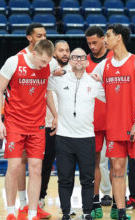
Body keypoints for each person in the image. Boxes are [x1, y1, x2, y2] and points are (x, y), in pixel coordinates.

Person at [91, 24, 135, 220]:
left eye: (108, 36)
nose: (104, 39)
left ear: (118, 37)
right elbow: (99, 93)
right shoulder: (103, 65)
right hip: (114, 125)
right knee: (117, 169)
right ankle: (120, 212)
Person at [0, 39, 56, 220]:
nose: (45, 65)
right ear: (34, 53)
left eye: (47, 62)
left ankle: (32, 213)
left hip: (37, 125)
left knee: (36, 168)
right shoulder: (14, 62)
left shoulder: (48, 65)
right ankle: (11, 211)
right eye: (43, 61)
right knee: (14, 167)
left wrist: (55, 114)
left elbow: (48, 91)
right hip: (14, 124)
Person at [47, 47, 105, 220]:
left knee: (87, 179)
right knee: (65, 178)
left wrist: (103, 81)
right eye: (75, 57)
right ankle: (66, 213)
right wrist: (55, 73)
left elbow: (113, 97)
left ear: (87, 61)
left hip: (86, 137)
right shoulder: (59, 79)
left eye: (81, 57)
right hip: (64, 137)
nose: (78, 60)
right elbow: (43, 84)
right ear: (70, 61)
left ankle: (87, 212)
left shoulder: (94, 82)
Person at [15, 23, 53, 220]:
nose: (43, 38)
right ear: (30, 37)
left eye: (45, 35)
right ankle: (23, 203)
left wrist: (54, 115)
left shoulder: (49, 58)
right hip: (20, 120)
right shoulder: (18, 59)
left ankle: (34, 203)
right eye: (39, 35)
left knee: (39, 165)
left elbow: (49, 89)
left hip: (41, 120)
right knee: (21, 161)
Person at [85, 25, 114, 218]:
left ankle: (116, 201)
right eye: (89, 43)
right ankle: (95, 201)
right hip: (92, 121)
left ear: (104, 39)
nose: (92, 46)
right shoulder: (84, 62)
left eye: (95, 42)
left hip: (114, 120)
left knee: (117, 163)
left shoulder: (115, 59)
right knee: (94, 163)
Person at [39, 40, 71, 208]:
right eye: (61, 50)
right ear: (54, 53)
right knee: (45, 164)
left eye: (67, 50)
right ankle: (40, 197)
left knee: (67, 167)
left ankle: (66, 202)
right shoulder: (46, 68)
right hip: (48, 124)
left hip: (68, 126)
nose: (64, 53)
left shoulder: (74, 70)